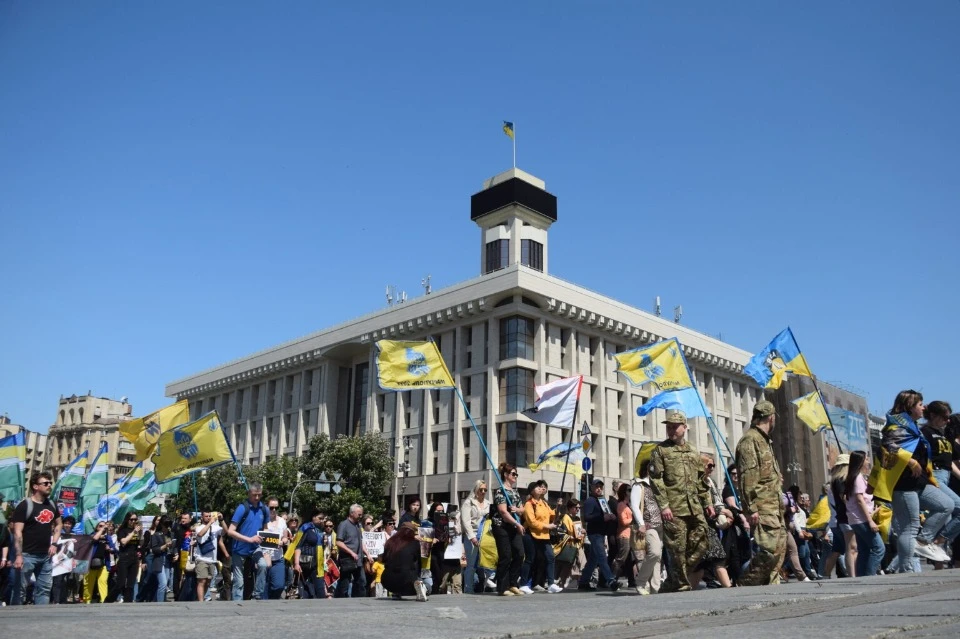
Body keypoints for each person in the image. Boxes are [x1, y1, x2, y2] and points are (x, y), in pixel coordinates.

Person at [871, 390, 952, 568]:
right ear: (909, 406)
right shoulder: (896, 425)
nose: (924, 408)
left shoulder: (912, 426)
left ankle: (923, 540)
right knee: (910, 526)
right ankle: (907, 569)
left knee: (946, 505)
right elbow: (887, 445)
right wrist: (910, 461)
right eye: (920, 404)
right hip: (903, 484)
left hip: (920, 482)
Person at [649, 411, 714, 592]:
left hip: (694, 506)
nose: (671, 430)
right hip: (674, 508)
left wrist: (708, 502)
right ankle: (681, 586)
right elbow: (656, 480)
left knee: (703, 541)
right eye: (669, 427)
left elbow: (701, 480)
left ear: (684, 428)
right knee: (677, 549)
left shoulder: (693, 450)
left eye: (675, 427)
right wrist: (664, 506)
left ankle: (673, 579)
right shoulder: (661, 451)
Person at [736, 401, 787, 586]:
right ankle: (744, 585)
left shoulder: (765, 441)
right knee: (768, 552)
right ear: (771, 418)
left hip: (775, 507)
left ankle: (773, 590)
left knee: (778, 552)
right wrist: (751, 507)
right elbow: (747, 478)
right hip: (763, 506)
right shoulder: (750, 440)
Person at [11, 471, 62, 605]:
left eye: (50, 483)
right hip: (27, 555)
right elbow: (17, 532)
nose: (49, 485)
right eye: (45, 483)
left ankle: (41, 615)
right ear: (35, 486)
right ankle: (15, 614)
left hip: (46, 556)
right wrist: (18, 555)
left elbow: (59, 524)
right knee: (20, 590)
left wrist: (54, 543)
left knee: (44, 589)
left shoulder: (52, 504)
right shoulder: (24, 506)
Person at [920, 401, 960, 561]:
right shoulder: (925, 432)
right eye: (944, 417)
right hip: (934, 475)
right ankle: (930, 541)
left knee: (948, 511)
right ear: (932, 415)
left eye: (948, 417)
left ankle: (935, 542)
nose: (947, 420)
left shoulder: (943, 434)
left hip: (946, 475)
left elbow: (950, 462)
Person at [227, 483, 271, 600]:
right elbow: (230, 531)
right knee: (239, 581)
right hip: (240, 548)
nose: (257, 498)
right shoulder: (242, 508)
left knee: (263, 565)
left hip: (255, 547)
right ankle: (237, 603)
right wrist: (249, 539)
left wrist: (268, 544)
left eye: (259, 495)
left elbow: (265, 529)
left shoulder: (264, 509)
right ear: (249, 493)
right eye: (254, 495)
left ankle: (257, 595)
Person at [844, 451, 884, 577]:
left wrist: (872, 511)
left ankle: (861, 577)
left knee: (864, 550)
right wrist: (870, 521)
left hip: (855, 520)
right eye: (866, 459)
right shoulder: (858, 478)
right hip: (861, 520)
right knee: (879, 548)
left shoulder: (853, 477)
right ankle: (870, 575)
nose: (868, 462)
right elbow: (860, 500)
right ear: (861, 462)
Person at [576, 478, 620, 592]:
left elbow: (606, 513)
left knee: (593, 560)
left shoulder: (602, 500)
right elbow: (587, 517)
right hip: (594, 533)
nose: (599, 489)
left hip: (601, 533)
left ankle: (583, 582)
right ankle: (611, 580)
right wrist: (602, 517)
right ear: (592, 488)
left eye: (600, 487)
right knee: (602, 557)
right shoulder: (590, 501)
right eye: (596, 487)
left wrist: (611, 516)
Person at [522, 479, 562, 594]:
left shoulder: (544, 503)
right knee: (530, 559)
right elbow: (532, 522)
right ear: (531, 491)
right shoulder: (529, 504)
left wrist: (558, 507)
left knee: (550, 557)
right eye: (537, 487)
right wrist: (547, 526)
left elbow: (552, 515)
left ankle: (551, 584)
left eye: (541, 487)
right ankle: (523, 584)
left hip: (544, 535)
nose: (540, 488)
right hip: (531, 534)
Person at [630, 459, 664, 595]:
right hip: (648, 524)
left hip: (660, 525)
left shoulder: (659, 485)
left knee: (658, 557)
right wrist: (641, 524)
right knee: (654, 552)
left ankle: (655, 587)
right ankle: (641, 582)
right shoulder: (639, 485)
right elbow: (634, 505)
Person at [491, 462, 526, 596]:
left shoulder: (515, 492)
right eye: (513, 473)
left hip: (513, 526)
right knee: (506, 556)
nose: (515, 476)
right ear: (506, 475)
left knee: (519, 553)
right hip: (501, 526)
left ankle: (513, 583)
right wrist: (517, 524)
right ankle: (502, 586)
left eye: (516, 474)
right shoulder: (500, 491)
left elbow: (522, 509)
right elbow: (503, 512)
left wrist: (517, 509)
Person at [380, 521, 423, 600]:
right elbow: (417, 562)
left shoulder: (390, 542)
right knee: (428, 586)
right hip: (407, 580)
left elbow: (384, 560)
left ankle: (396, 592)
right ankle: (421, 588)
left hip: (387, 580)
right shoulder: (414, 543)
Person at [459, 479, 488, 594]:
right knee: (471, 565)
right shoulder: (468, 503)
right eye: (481, 489)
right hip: (473, 535)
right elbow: (466, 522)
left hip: (485, 535)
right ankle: (468, 589)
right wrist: (472, 537)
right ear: (476, 490)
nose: (483, 492)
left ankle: (483, 588)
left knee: (485, 564)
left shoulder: (488, 503)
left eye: (485, 490)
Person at [293, 508, 328, 599]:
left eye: (323, 519)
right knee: (306, 592)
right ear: (313, 517)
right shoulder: (306, 528)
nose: (322, 521)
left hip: (317, 565)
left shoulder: (319, 530)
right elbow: (298, 546)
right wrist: (296, 564)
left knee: (320, 591)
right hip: (305, 564)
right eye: (320, 518)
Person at [335, 504, 366, 598]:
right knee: (344, 583)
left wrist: (367, 554)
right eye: (359, 514)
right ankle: (339, 600)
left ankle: (358, 600)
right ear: (351, 513)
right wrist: (351, 552)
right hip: (347, 560)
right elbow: (338, 542)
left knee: (361, 582)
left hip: (358, 560)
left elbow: (360, 542)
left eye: (361, 514)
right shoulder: (343, 525)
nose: (360, 516)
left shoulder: (358, 525)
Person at [553, 498, 585, 590]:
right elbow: (560, 531)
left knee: (582, 563)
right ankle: (560, 583)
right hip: (568, 545)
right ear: (570, 508)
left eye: (579, 508)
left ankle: (574, 581)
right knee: (565, 564)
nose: (578, 509)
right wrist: (570, 537)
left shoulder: (578, 518)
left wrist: (583, 532)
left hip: (578, 545)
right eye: (576, 507)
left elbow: (579, 531)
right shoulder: (565, 517)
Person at [192, 511, 221, 602]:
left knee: (208, 582)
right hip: (201, 558)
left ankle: (202, 598)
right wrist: (210, 523)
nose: (208, 517)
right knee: (202, 581)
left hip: (212, 559)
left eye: (209, 516)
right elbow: (200, 534)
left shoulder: (215, 527)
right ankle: (201, 602)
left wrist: (222, 519)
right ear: (202, 517)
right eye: (206, 516)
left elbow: (226, 531)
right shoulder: (199, 527)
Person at [114, 512, 142, 604]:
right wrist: (133, 532)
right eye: (131, 519)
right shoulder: (122, 530)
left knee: (131, 583)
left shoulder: (136, 530)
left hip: (134, 557)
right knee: (121, 583)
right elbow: (123, 542)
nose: (133, 521)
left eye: (135, 519)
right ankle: (109, 599)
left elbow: (139, 544)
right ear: (127, 520)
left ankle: (128, 602)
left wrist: (139, 533)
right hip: (124, 557)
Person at [84, 521, 111, 604]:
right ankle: (87, 601)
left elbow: (114, 549)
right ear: (96, 527)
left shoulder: (107, 537)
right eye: (100, 526)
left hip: (103, 563)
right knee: (89, 584)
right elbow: (94, 539)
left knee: (103, 582)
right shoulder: (92, 535)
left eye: (104, 526)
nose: (103, 528)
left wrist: (110, 548)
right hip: (91, 563)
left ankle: (104, 600)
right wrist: (102, 530)